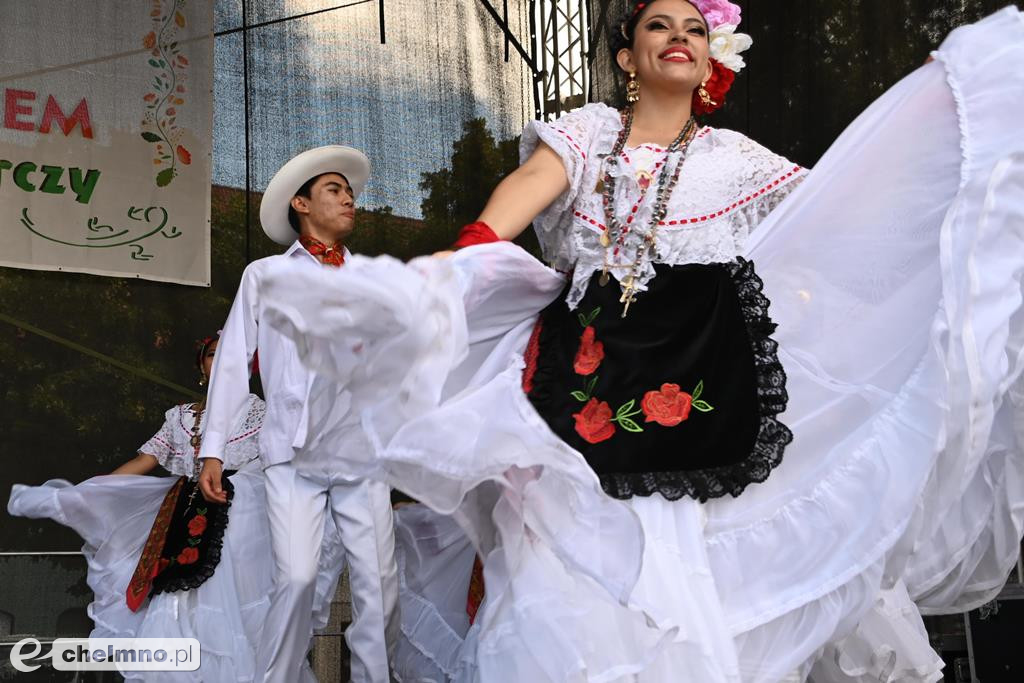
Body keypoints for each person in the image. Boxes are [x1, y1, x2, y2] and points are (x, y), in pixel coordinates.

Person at [255, 2, 1024, 681]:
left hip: (706, 390)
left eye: (695, 28)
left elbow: (840, 214)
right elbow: (520, 198)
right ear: (628, 56)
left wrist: (928, 115)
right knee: (567, 574)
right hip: (586, 382)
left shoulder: (737, 161)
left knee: (707, 585)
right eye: (659, 24)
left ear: (711, 59)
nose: (679, 37)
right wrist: (461, 265)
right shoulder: (590, 132)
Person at [7, 334, 339, 681]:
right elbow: (143, 462)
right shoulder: (181, 418)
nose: (223, 362)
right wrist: (88, 494)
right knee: (175, 609)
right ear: (202, 365)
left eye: (234, 356)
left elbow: (290, 464)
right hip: (184, 526)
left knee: (240, 617)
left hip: (243, 529)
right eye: (213, 355)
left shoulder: (266, 414)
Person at [196, 146, 399, 683]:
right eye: (335, 189)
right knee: (298, 578)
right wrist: (212, 448)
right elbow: (234, 361)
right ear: (301, 204)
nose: (349, 197)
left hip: (360, 450)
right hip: (293, 450)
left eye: (350, 191)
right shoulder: (264, 275)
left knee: (379, 581)